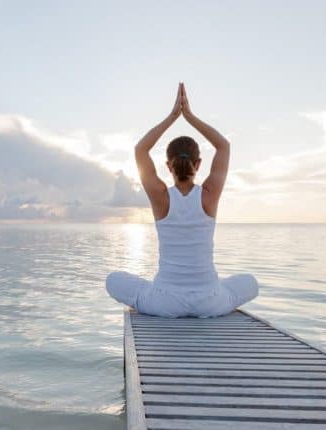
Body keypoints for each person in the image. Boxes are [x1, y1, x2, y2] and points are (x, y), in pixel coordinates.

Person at [105, 83, 258, 318]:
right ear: (198, 164)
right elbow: (223, 146)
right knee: (250, 283)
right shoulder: (209, 195)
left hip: (164, 302)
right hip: (210, 301)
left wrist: (173, 116)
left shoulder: (161, 197)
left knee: (113, 280)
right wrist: (190, 116)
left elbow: (140, 150)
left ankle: (159, 293)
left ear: (168, 166)